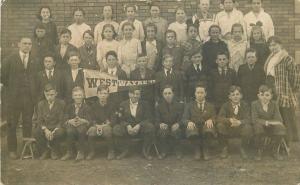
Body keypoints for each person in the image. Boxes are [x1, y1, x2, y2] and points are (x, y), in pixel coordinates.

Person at [2, 37, 39, 159]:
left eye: (29, 44)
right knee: (12, 123)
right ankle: (12, 150)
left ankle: (26, 149)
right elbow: (3, 77)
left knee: (28, 123)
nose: (27, 46)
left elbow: (36, 79)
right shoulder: (9, 60)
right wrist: (13, 88)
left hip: (28, 98)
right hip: (14, 98)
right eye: (24, 43)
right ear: (19, 44)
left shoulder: (34, 60)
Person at [264, 36, 300, 143]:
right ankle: (278, 141)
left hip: (283, 89)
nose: (272, 47)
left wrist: (289, 90)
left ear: (281, 45)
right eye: (270, 45)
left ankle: (289, 140)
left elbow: (295, 77)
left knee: (286, 115)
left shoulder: (287, 58)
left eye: (275, 44)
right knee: (276, 114)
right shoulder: (270, 57)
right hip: (271, 87)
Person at [113, 87, 155, 160]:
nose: (135, 96)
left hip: (140, 127)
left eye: (137, 94)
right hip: (128, 128)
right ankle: (125, 150)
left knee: (150, 127)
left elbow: (148, 118)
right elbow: (120, 119)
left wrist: (139, 125)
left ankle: (144, 151)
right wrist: (127, 125)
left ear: (140, 95)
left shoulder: (145, 104)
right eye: (133, 94)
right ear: (129, 94)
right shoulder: (123, 104)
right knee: (116, 129)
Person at [182, 83, 216, 160]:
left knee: (209, 128)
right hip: (195, 127)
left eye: (202, 93)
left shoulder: (210, 106)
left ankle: (205, 149)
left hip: (205, 127)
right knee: (191, 129)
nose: (200, 95)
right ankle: (197, 149)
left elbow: (215, 117)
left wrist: (211, 120)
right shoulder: (189, 105)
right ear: (195, 93)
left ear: (205, 94)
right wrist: (188, 122)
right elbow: (184, 118)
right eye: (198, 93)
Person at [217, 86, 253, 159]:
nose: (235, 97)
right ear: (229, 97)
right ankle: (225, 148)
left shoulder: (245, 105)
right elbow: (219, 118)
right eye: (233, 95)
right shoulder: (225, 105)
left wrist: (240, 122)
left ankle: (243, 148)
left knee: (248, 127)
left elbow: (249, 119)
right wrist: (229, 120)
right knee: (220, 125)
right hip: (229, 129)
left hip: (240, 128)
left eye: (237, 94)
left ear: (241, 96)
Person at [251, 85, 287, 160]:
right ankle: (259, 151)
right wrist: (265, 122)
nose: (264, 97)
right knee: (258, 127)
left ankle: (275, 151)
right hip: (260, 127)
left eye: (267, 95)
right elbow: (255, 119)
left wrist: (270, 123)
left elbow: (279, 119)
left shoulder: (274, 104)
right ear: (258, 95)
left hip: (271, 127)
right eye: (262, 95)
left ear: (271, 96)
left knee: (281, 128)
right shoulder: (254, 104)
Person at [33, 84, 66, 160]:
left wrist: (54, 130)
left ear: (56, 94)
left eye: (52, 94)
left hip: (56, 127)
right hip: (46, 127)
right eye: (47, 95)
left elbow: (62, 120)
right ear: (44, 94)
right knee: (36, 131)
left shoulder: (61, 103)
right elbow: (39, 120)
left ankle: (54, 150)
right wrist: (45, 130)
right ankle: (45, 150)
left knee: (60, 132)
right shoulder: (41, 104)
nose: (50, 97)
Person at [86, 85, 118, 160]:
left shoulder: (112, 105)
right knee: (91, 130)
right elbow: (91, 119)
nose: (103, 95)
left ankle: (111, 151)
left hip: (107, 126)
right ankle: (91, 151)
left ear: (108, 95)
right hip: (96, 125)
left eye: (105, 93)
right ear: (97, 94)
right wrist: (97, 126)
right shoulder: (93, 106)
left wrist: (104, 126)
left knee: (107, 130)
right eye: (101, 93)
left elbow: (113, 120)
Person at [61, 87, 92, 161]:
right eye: (76, 95)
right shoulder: (69, 107)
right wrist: (69, 121)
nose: (78, 97)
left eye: (79, 95)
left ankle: (81, 152)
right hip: (72, 126)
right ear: (72, 96)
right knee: (70, 131)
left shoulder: (87, 107)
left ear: (83, 96)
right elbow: (64, 119)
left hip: (82, 126)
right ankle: (69, 152)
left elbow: (90, 120)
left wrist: (83, 121)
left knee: (81, 130)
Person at [155, 85, 184, 159]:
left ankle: (178, 150)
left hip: (175, 126)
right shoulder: (159, 107)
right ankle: (164, 151)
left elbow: (182, 119)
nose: (167, 95)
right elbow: (156, 120)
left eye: (169, 93)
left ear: (173, 94)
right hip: (165, 127)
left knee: (177, 131)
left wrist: (178, 124)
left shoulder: (180, 105)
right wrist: (160, 124)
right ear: (162, 95)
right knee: (162, 131)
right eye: (165, 93)